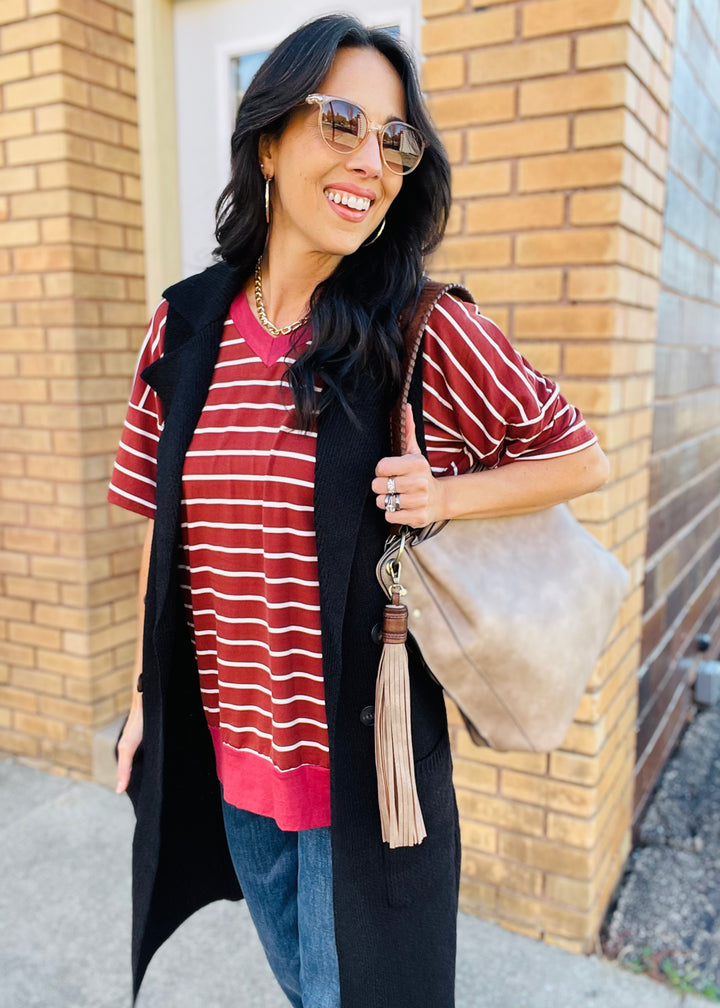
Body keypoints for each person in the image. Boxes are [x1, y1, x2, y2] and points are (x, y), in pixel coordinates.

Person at [109, 14, 609, 1008]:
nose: (370, 159)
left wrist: (445, 493)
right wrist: (139, 701)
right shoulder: (186, 321)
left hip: (363, 783)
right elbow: (161, 531)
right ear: (269, 141)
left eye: (394, 139)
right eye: (341, 121)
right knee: (304, 987)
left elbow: (578, 458)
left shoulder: (421, 328)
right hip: (229, 748)